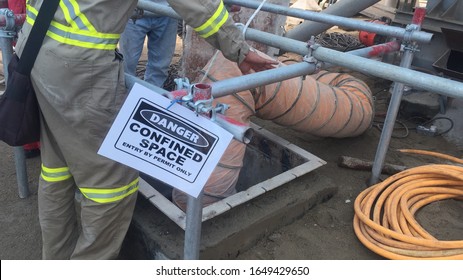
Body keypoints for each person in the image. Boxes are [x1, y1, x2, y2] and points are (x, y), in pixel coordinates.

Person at [15, 0, 276, 259]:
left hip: (38, 47)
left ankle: (54, 262)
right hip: (79, 68)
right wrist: (240, 49)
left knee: (57, 165)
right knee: (111, 184)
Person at [119, 0, 178, 88]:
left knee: (160, 66)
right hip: (133, 10)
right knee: (127, 65)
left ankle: (152, 96)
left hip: (168, 11)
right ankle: (126, 97)